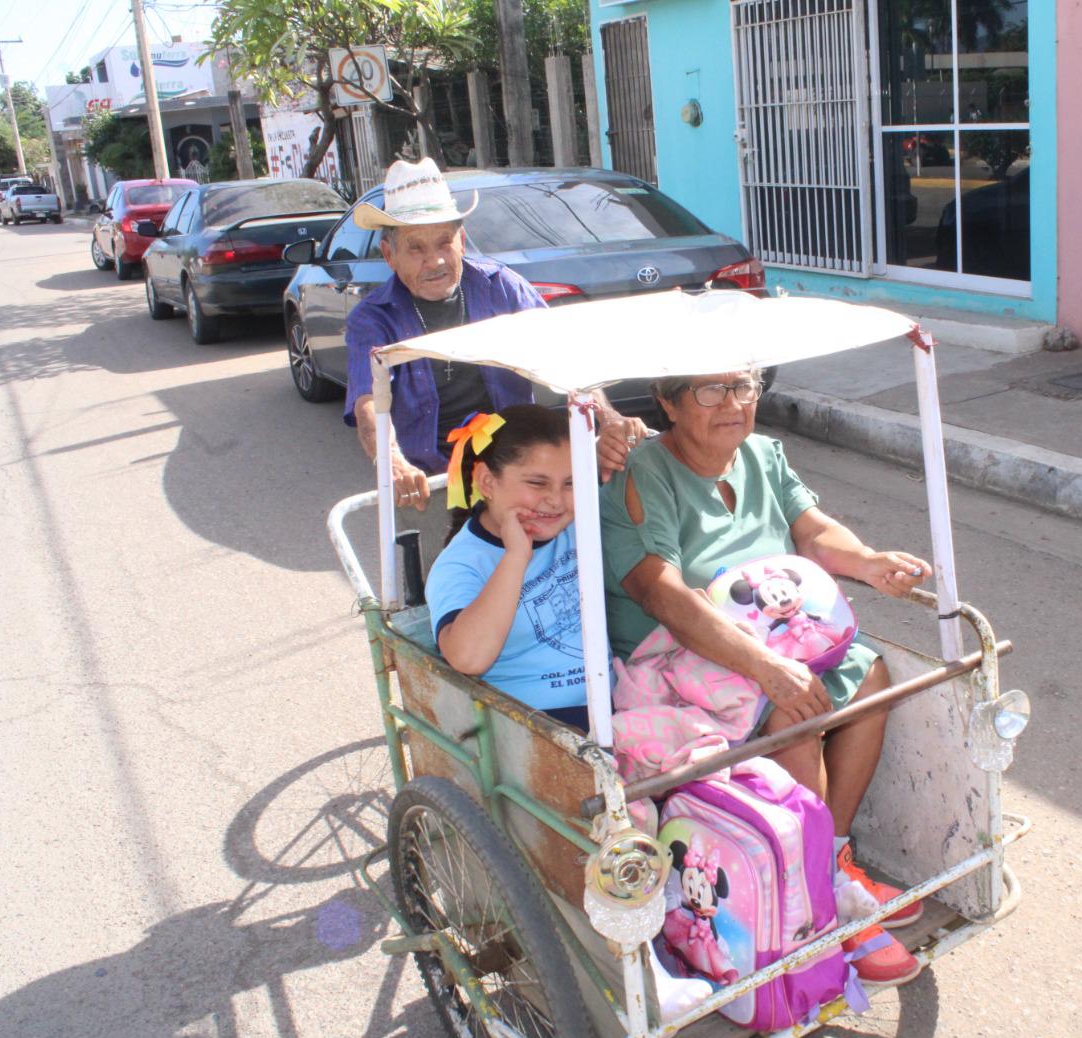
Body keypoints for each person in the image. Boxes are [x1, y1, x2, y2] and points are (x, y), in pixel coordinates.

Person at [598, 369, 933, 986]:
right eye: (708, 390)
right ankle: (817, 906)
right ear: (668, 404)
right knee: (794, 712)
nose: (732, 403)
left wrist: (868, 562)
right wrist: (766, 668)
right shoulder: (640, 474)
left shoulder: (761, 453)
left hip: (772, 632)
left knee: (871, 675)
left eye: (743, 387)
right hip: (677, 649)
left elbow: (812, 530)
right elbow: (660, 593)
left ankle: (826, 858)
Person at [344, 157, 639, 537]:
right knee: (448, 587)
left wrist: (609, 418)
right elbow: (368, 402)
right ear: (389, 255)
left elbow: (565, 354)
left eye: (444, 243)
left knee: (548, 576)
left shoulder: (501, 286)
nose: (434, 260)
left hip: (518, 473)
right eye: (415, 248)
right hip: (433, 483)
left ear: (461, 242)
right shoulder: (373, 318)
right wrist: (393, 463)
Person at [426, 406, 591, 733]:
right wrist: (516, 557)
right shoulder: (460, 564)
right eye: (537, 483)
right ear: (487, 481)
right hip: (533, 728)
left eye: (570, 483)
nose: (556, 500)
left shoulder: (578, 526)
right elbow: (468, 658)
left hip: (612, 703)